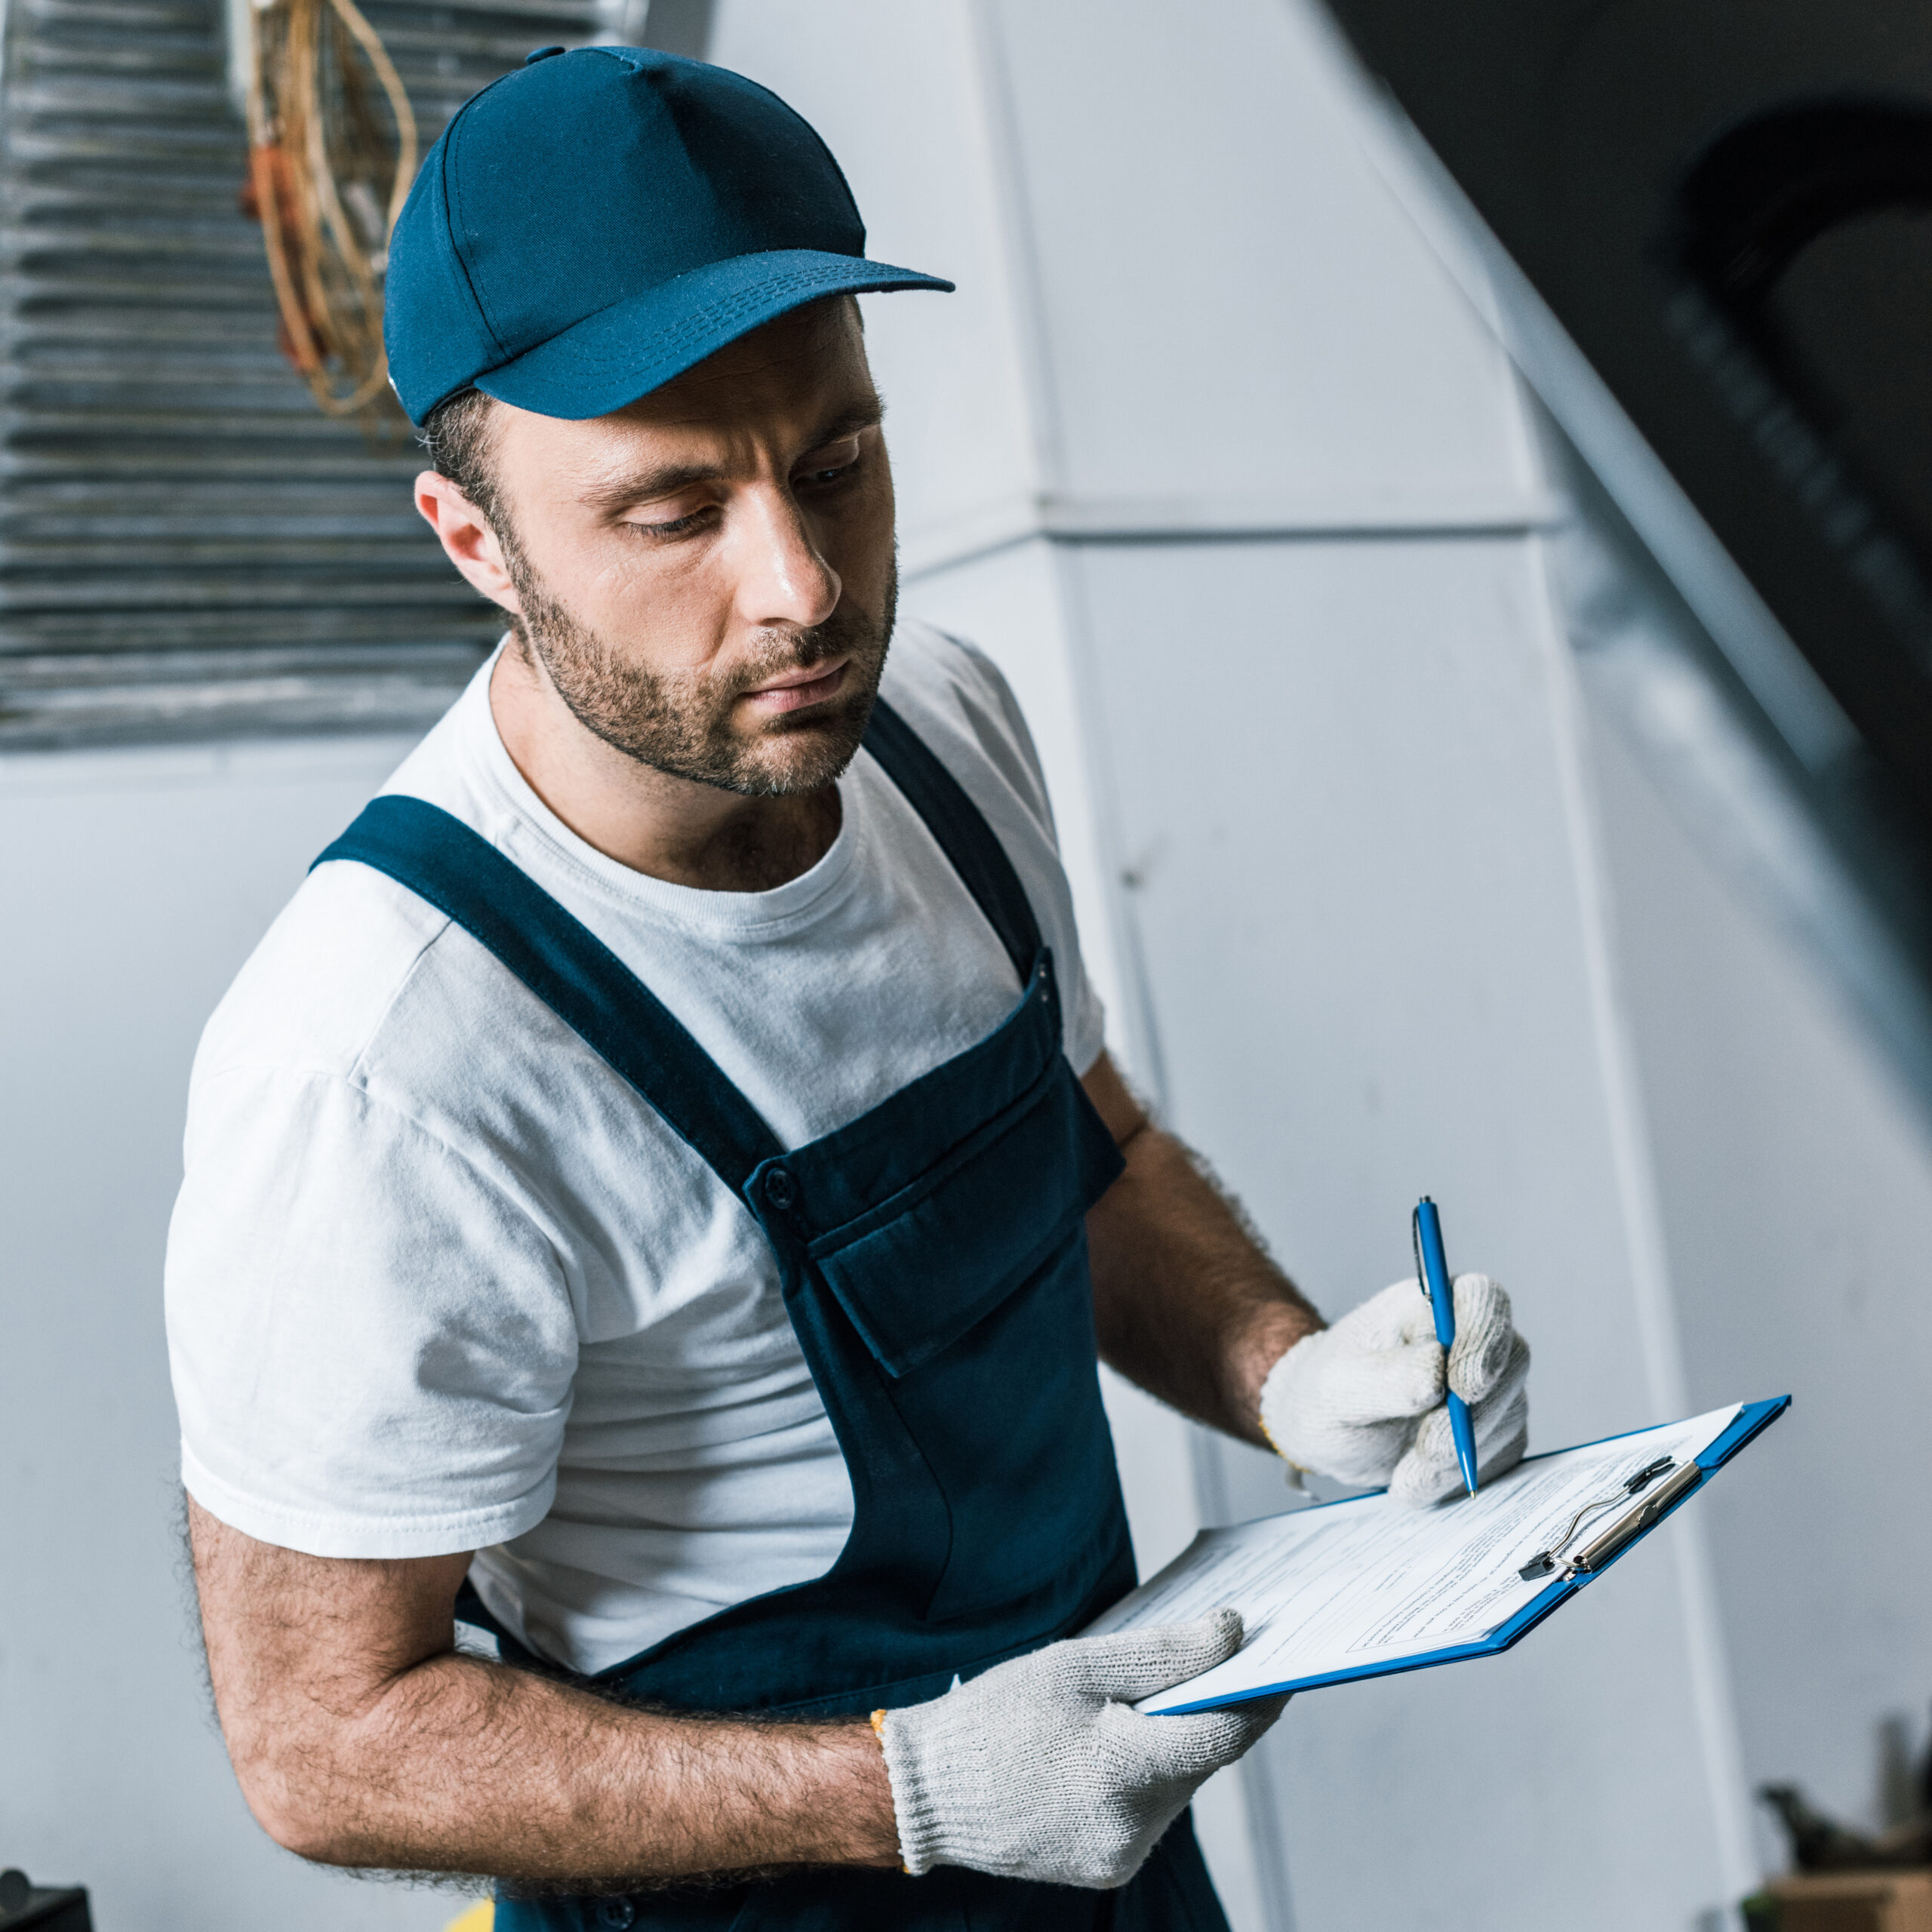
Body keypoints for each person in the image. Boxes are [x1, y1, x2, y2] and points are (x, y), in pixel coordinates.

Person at [165, 45, 1532, 1932]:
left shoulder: (942, 730)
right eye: (671, 514)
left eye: (835, 461)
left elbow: (1085, 1147)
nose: (802, 587)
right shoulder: (379, 1059)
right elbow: (322, 1735)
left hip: (1101, 1840)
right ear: (474, 541)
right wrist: (906, 1788)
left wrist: (1282, 1369)